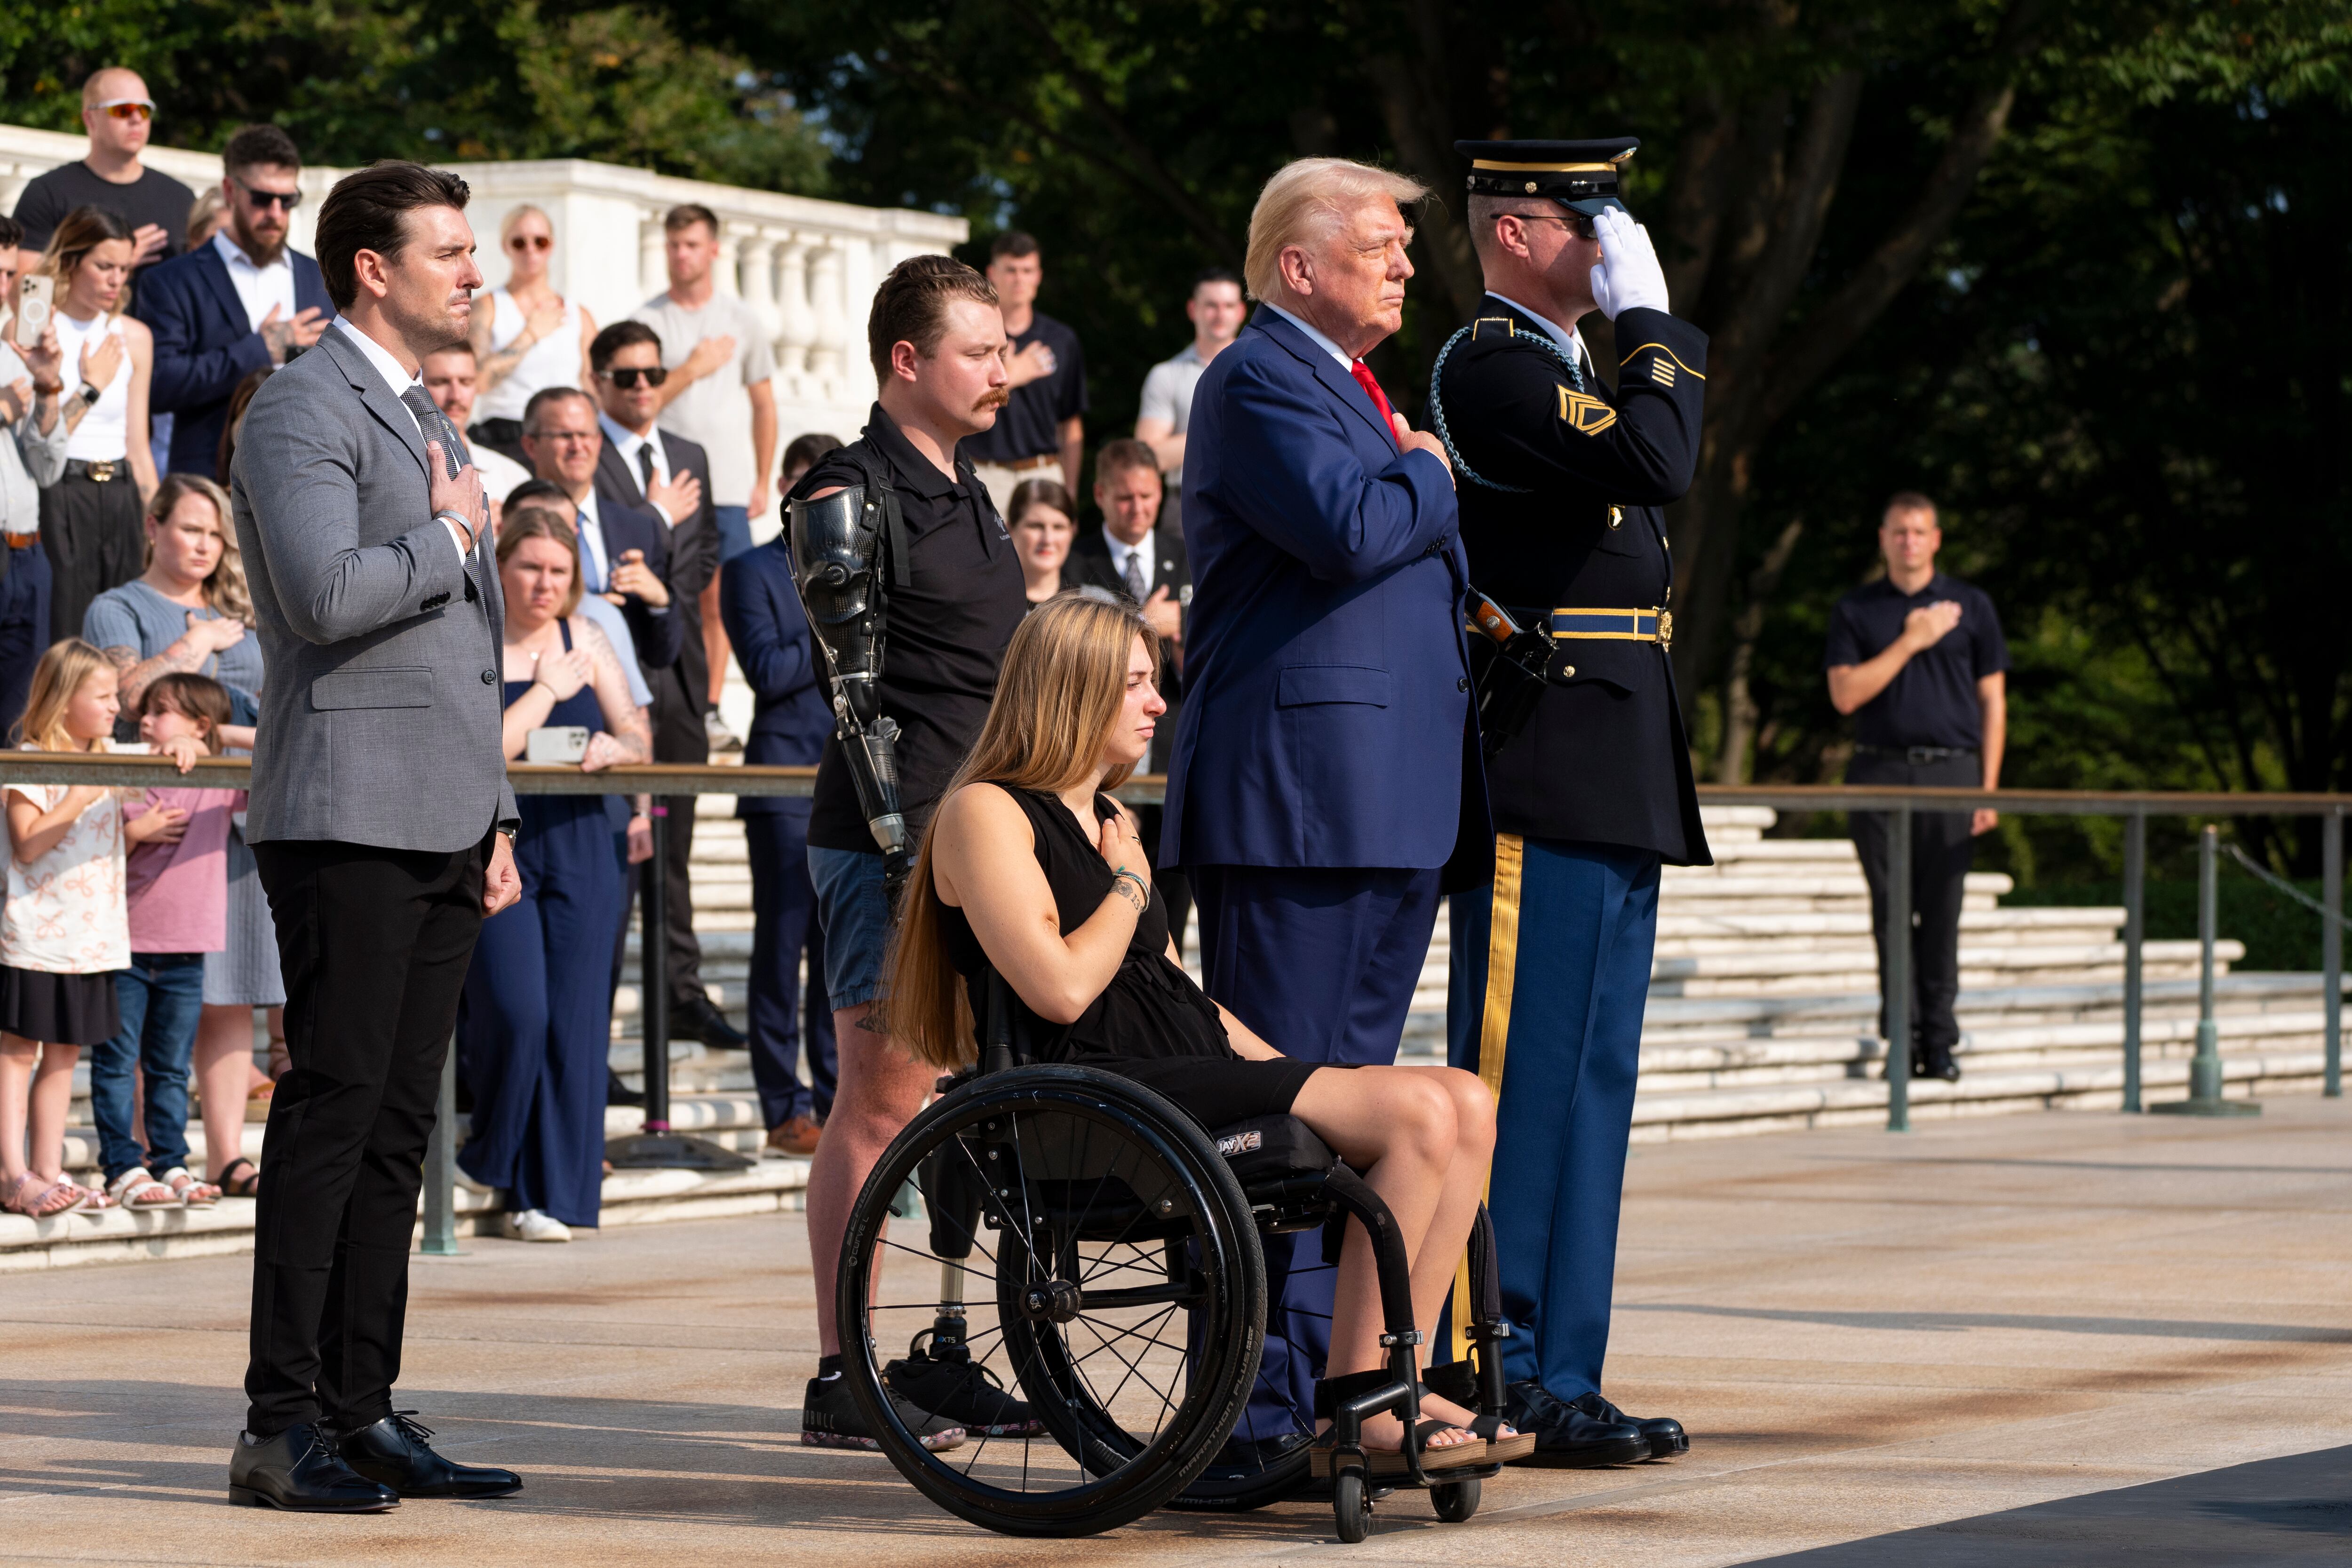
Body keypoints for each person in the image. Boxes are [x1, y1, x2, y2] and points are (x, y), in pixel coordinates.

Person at [898, 593, 1522, 1466]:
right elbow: (1065, 989)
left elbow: (1170, 984)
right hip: (1102, 1089)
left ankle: (1399, 1378)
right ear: (1073, 691)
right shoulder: (986, 813)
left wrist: (1295, 1070)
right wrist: (1125, 884)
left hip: (1183, 1065)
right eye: (1137, 684)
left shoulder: (1111, 819)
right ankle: (1355, 1404)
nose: (1159, 702)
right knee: (1421, 1112)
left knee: (1465, 1099)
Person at [1162, 156, 1478, 1453]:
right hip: (1301, 803)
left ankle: (1355, 1383)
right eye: (1383, 241)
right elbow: (1353, 527)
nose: (1407, 260)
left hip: (1385, 797)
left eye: (1408, 243)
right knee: (1282, 1117)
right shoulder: (1259, 375)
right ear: (1298, 265)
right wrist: (1435, 469)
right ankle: (1254, 1401)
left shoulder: (1352, 386)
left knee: (1354, 1123)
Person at [226, 159, 523, 1512]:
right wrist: (454, 533)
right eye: (452, 251)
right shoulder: (303, 404)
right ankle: (277, 1421)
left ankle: (363, 1405)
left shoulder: (423, 410)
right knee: (334, 1116)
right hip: (345, 809)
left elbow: (474, 645)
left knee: (400, 1128)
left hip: (450, 816)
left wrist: (501, 811)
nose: (475, 271)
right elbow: (325, 594)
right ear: (373, 269)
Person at [1429, 137, 1711, 1467]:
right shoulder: (1491, 366)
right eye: (1590, 218)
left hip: (1613, 759)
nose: (1613, 241)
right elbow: (1659, 460)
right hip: (1545, 760)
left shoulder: (1566, 370)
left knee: (1592, 1082)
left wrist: (1628, 336)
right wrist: (1655, 323)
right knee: (1523, 1078)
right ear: (1521, 230)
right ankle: (1493, 1358)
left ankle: (1565, 1367)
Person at [787, 253, 1027, 1452]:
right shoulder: (850, 482)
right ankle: (845, 1370)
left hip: (983, 836)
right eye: (979, 351)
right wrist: (902, 847)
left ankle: (940, 1352)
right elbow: (853, 692)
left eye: (1002, 348)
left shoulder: (969, 486)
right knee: (881, 1107)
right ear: (907, 361)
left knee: (976, 1108)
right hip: (893, 841)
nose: (1003, 369)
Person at [85, 472, 281, 1194]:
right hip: (161, 831)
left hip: (241, 826)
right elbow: (123, 699)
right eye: (190, 528)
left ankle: (227, 1152)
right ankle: (139, 1153)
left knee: (232, 994)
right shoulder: (119, 607)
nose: (203, 545)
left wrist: (229, 728)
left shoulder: (243, 612)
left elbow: (274, 714)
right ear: (153, 526)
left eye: (214, 534)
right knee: (154, 1005)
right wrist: (192, 646)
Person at [461, 509, 651, 1243]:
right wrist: (544, 689)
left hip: (582, 838)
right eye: (531, 568)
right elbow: (484, 749)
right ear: (502, 567)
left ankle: (549, 1197)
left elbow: (639, 732)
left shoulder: (587, 638)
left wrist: (616, 747)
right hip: (497, 838)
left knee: (575, 1026)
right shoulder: (474, 636)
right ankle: (492, 1153)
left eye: (559, 573)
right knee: (517, 1010)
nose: (545, 584)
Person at [586, 318, 739, 1051]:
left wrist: (657, 581)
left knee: (674, 848)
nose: (644, 386)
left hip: (679, 676)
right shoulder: (588, 457)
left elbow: (703, 555)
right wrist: (654, 536)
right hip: (610, 674)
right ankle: (600, 1010)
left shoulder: (689, 455)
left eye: (654, 373)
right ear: (601, 382)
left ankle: (680, 990)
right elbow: (606, 557)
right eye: (627, 376)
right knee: (617, 849)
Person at [1826, 492, 2009, 1082]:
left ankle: (1939, 1041)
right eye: (1898, 532)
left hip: (1953, 775)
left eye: (1918, 532)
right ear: (1882, 539)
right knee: (1889, 913)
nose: (1908, 542)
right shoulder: (1856, 610)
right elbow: (1845, 695)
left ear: (1936, 540)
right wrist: (1911, 639)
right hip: (1877, 774)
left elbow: (1993, 702)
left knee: (1942, 914)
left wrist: (1988, 789)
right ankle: (1900, 1042)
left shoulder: (1972, 606)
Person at [1, 642, 177, 1217]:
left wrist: (180, 743)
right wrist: (78, 796)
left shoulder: (111, 752)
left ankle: (48, 1171)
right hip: (33, 936)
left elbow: (181, 748)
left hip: (93, 937)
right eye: (101, 696)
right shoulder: (30, 756)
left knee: (64, 1057)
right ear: (63, 699)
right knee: (18, 1054)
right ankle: (12, 1174)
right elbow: (28, 845)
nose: (114, 707)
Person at [718, 430, 837, 1156]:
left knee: (839, 956)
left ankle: (836, 1097)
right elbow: (765, 668)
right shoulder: (750, 570)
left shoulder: (865, 566)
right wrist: (837, 618)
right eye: (806, 482)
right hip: (782, 782)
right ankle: (781, 1104)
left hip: (851, 780)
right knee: (780, 947)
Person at [631, 203, 778, 748]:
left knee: (723, 601)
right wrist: (692, 367)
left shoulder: (743, 321)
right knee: (674, 594)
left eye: (691, 244)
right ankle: (672, 704)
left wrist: (763, 478)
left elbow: (764, 404)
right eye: (673, 244)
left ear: (714, 249)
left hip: (733, 487)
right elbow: (639, 401)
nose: (680, 254)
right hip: (672, 485)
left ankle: (711, 709)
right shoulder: (648, 321)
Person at [91, 673, 235, 1212]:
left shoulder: (219, 776)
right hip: (121, 946)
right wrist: (132, 834)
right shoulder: (120, 768)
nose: (146, 721)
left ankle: (170, 1161)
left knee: (171, 1067)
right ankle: (122, 1166)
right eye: (146, 711)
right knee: (115, 1062)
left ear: (199, 722)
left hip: (185, 951)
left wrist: (210, 738)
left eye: (162, 711)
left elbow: (279, 742)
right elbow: (82, 847)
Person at [134, 124, 334, 478]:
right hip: (211, 483)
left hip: (312, 475)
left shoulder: (319, 277)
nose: (276, 212)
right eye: (262, 198)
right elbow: (159, 384)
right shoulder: (171, 280)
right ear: (230, 191)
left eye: (288, 200)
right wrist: (260, 349)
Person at [1065, 438, 1192, 951]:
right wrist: (1145, 625)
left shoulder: (1189, 556)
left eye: (1147, 496)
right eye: (1124, 498)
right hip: (1104, 760)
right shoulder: (1075, 562)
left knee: (1174, 907)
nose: (1138, 508)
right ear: (1098, 494)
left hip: (1173, 747)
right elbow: (1071, 653)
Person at [37, 206, 158, 644]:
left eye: (124, 268)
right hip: (60, 490)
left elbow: (139, 445)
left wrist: (156, 520)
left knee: (121, 632)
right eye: (104, 266)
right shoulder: (37, 329)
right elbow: (41, 437)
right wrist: (90, 386)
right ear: (70, 261)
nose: (116, 280)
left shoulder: (135, 336)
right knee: (65, 633)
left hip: (122, 491)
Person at [519, 387, 681, 685]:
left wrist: (659, 600)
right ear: (530, 446)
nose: (577, 446)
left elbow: (662, 654)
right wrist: (586, 610)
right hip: (537, 692)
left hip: (624, 703)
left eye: (586, 435)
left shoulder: (638, 529)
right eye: (564, 436)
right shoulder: (508, 524)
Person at [8, 68, 196, 283]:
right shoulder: (48, 193)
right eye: (123, 110)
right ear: (90, 119)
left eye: (144, 110)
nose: (136, 119)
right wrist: (116, 262)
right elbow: (21, 289)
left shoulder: (180, 197)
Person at [0, 223, 71, 730]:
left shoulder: (16, 353)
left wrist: (48, 388)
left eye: (8, 273)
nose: (3, 286)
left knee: (18, 721)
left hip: (28, 553)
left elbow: (48, 468)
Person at [960, 232, 1085, 514]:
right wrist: (1013, 375)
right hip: (983, 474)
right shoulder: (972, 335)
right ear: (992, 274)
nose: (1019, 279)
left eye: (1027, 270)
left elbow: (1071, 425)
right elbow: (958, 404)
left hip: (1044, 472)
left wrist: (1072, 491)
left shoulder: (1061, 339)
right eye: (1011, 270)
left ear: (1038, 276)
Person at [464, 206, 597, 463]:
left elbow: (593, 388)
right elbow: (477, 381)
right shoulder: (487, 308)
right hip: (505, 434)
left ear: (552, 245)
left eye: (540, 241)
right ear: (506, 247)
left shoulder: (580, 315)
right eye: (519, 242)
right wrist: (530, 335)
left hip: (567, 438)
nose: (531, 250)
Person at [1135, 267, 1246, 533]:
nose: (1220, 315)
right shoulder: (1166, 375)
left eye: (1228, 306)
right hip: (1187, 502)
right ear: (1192, 309)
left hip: (1253, 498)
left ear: (1241, 312)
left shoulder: (1265, 370)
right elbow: (1146, 460)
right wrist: (1222, 426)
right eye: (1211, 306)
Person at [419, 342, 532, 503]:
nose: (456, 396)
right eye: (441, 382)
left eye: (466, 382)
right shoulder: (401, 467)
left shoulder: (513, 476)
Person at [1007, 478, 1076, 604]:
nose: (1048, 540)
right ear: (1010, 530)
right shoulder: (987, 606)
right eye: (1036, 526)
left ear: (1072, 532)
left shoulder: (1096, 606)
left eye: (1059, 527)